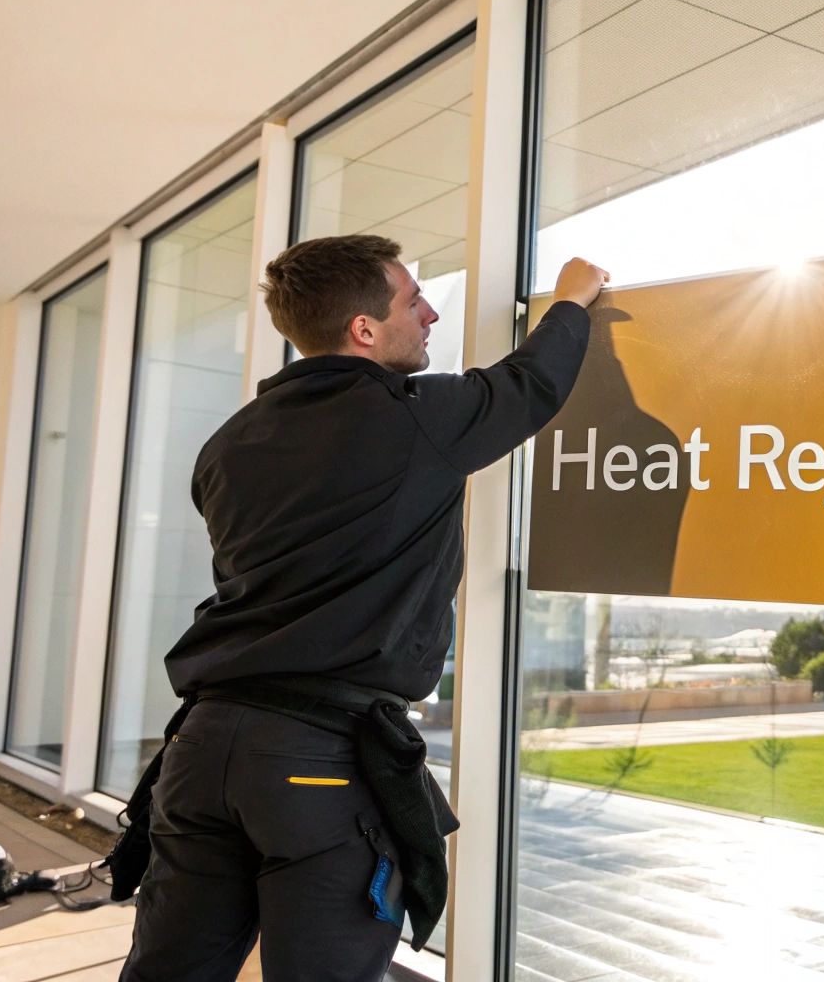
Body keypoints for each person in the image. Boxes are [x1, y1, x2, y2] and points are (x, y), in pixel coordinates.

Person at [116, 234, 607, 981]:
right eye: (414, 300)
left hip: (201, 749)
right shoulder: (413, 419)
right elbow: (529, 385)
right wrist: (572, 298)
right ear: (364, 329)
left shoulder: (226, 445)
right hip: (318, 763)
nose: (433, 313)